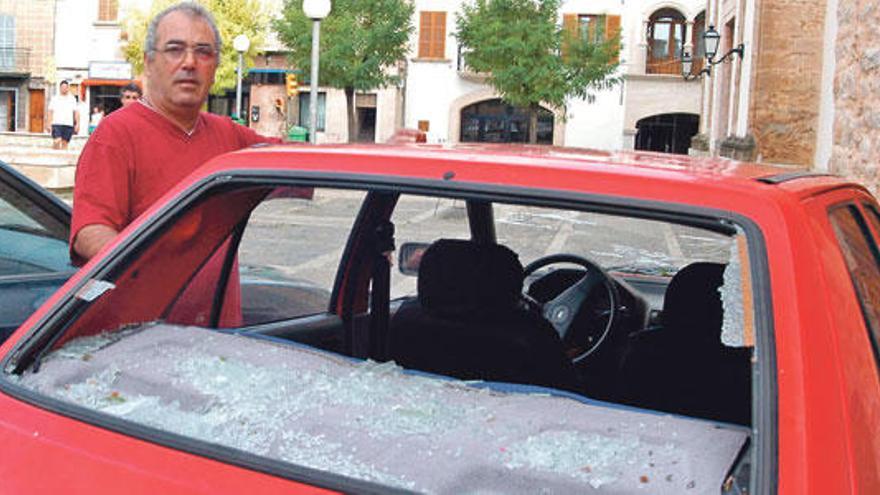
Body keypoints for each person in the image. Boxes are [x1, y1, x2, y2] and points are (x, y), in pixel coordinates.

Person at [70, 1, 281, 263]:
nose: (190, 62)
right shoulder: (116, 135)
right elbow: (89, 232)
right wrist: (148, 278)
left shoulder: (228, 135)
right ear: (149, 63)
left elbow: (299, 163)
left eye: (203, 52)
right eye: (174, 49)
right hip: (149, 303)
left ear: (215, 68)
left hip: (216, 306)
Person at [47, 80, 79, 149]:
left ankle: (62, 158)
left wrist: (77, 124)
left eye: (65, 87)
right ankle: (54, 153)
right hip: (56, 123)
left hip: (68, 124)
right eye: (62, 87)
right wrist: (48, 124)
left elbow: (76, 112)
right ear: (60, 88)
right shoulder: (55, 98)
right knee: (57, 141)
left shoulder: (72, 99)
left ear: (68, 88)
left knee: (65, 144)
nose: (64, 89)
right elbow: (50, 111)